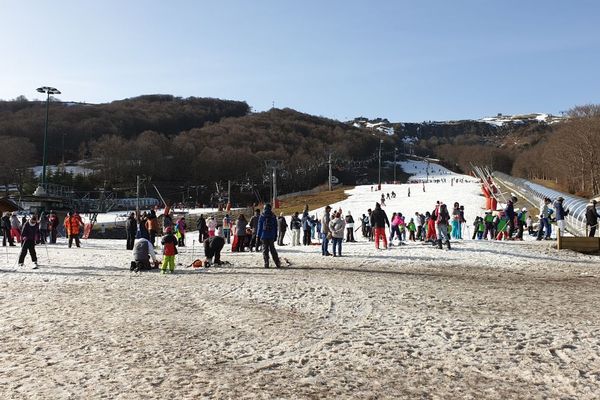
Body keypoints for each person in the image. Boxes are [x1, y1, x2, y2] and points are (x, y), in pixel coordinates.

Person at [257, 203, 281, 268]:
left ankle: (266, 262)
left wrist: (258, 236)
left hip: (263, 235)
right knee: (272, 249)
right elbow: (276, 227)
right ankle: (277, 262)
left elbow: (260, 227)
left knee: (265, 249)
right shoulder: (273, 216)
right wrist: (276, 235)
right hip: (271, 235)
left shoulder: (262, 216)